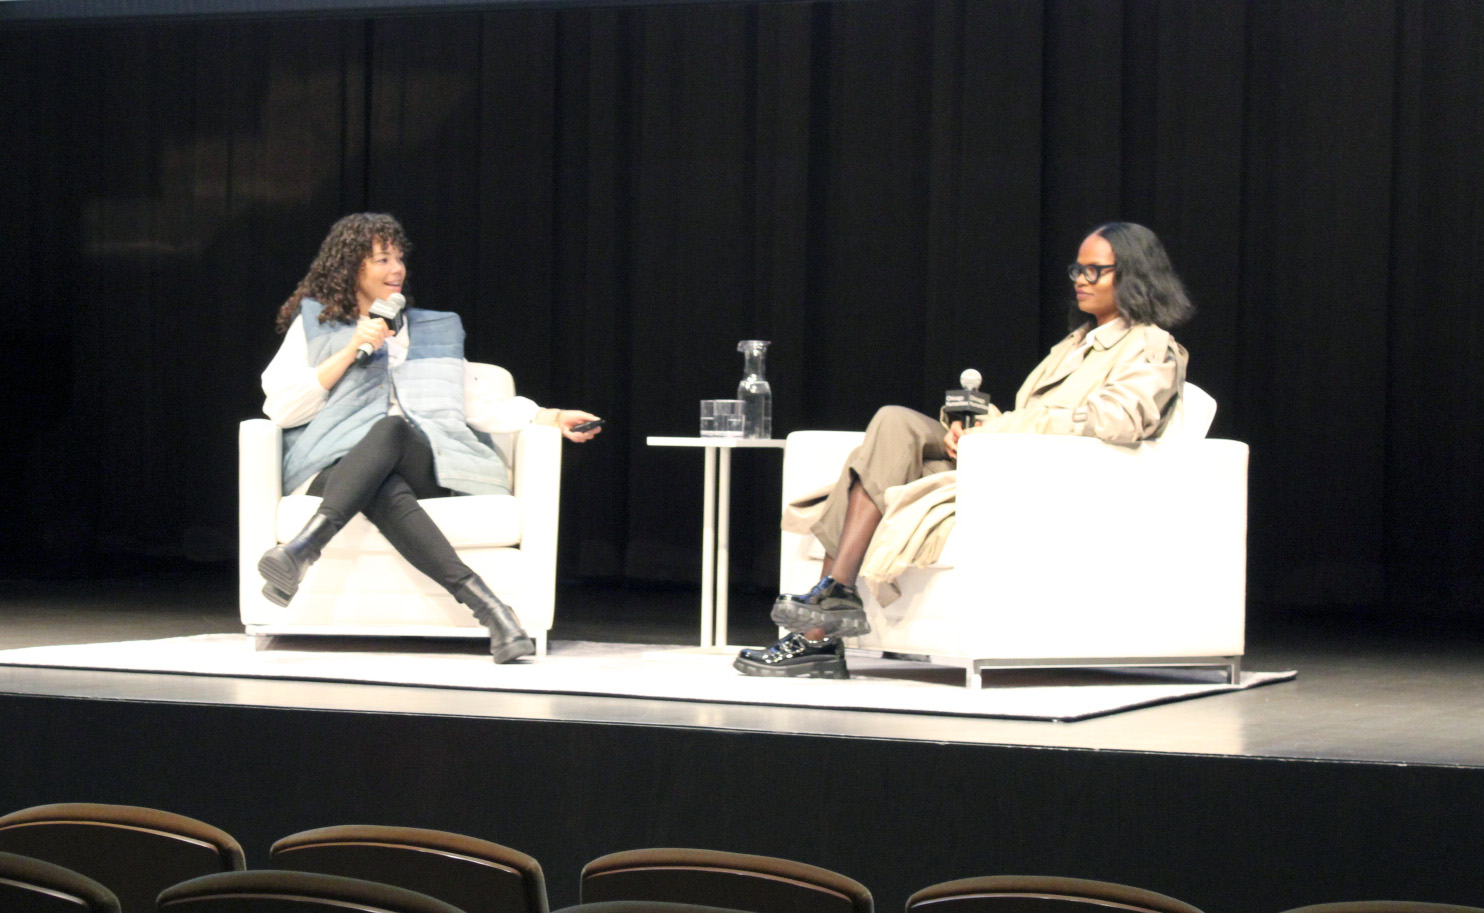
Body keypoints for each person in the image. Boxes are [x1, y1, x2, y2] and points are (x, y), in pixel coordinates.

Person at [735, 221, 1196, 679]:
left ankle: (822, 625)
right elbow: (1031, 415)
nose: (1080, 279)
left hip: (1046, 476)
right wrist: (972, 429)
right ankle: (834, 599)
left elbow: (1117, 419)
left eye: (1096, 270)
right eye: (1077, 268)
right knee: (893, 422)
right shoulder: (1074, 344)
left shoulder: (1151, 346)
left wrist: (1005, 428)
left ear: (1134, 274)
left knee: (872, 469)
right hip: (1003, 458)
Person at [258, 213, 602, 663]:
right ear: (350, 268)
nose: (396, 268)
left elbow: (479, 405)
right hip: (338, 465)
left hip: (424, 459)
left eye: (399, 258)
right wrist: (348, 351)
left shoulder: (434, 331)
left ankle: (304, 549)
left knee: (393, 430)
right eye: (382, 259)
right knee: (382, 488)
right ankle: (494, 612)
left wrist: (549, 416)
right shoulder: (317, 327)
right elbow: (280, 408)